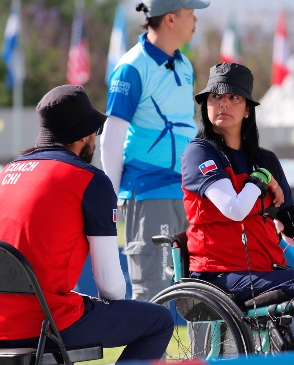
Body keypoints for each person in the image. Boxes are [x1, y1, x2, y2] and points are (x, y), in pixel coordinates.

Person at [0, 85, 174, 362]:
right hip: (43, 324)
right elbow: (111, 288)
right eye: (95, 132)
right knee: (158, 320)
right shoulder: (89, 179)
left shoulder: (5, 174)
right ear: (85, 134)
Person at [181, 63, 294, 350]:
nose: (223, 103)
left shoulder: (266, 159)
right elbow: (235, 209)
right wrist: (260, 180)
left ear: (247, 110)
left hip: (264, 272)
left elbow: (292, 230)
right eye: (215, 97)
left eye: (234, 98)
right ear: (205, 105)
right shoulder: (200, 152)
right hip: (219, 276)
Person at [101, 0, 210, 301]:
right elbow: (112, 135)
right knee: (153, 292)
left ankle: (202, 353)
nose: (195, 21)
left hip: (188, 189)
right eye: (191, 14)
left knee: (201, 292)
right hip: (149, 190)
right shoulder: (131, 67)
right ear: (171, 19)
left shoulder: (184, 64)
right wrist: (110, 197)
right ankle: (149, 353)